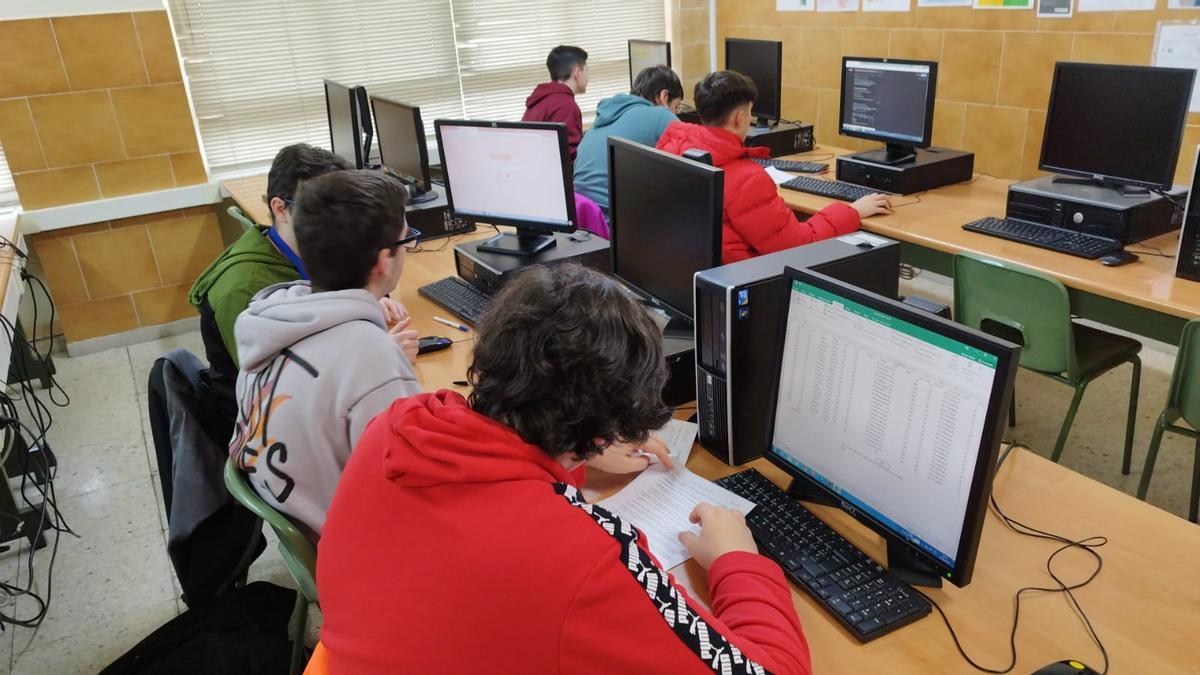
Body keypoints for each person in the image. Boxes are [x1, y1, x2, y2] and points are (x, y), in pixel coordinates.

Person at [317, 263, 811, 674]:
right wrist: (737, 561)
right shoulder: (587, 558)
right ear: (604, 428)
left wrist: (578, 450)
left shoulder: (396, 428)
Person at [228, 170, 422, 541]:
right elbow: (412, 485)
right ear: (383, 262)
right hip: (350, 550)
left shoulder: (270, 314)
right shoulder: (371, 359)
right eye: (406, 240)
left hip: (300, 518)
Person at [657, 70, 891, 264]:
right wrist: (853, 211)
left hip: (689, 276)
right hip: (744, 280)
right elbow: (798, 245)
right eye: (750, 112)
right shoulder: (746, 179)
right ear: (740, 117)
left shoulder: (673, 146)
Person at [574, 65, 684, 216]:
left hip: (583, 216)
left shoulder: (607, 114)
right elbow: (698, 155)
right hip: (613, 222)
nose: (675, 113)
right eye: (676, 107)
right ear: (664, 97)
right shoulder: (660, 114)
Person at [523, 45, 588, 163]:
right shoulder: (565, 105)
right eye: (586, 71)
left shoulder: (543, 97)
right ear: (577, 73)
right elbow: (570, 157)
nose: (588, 77)